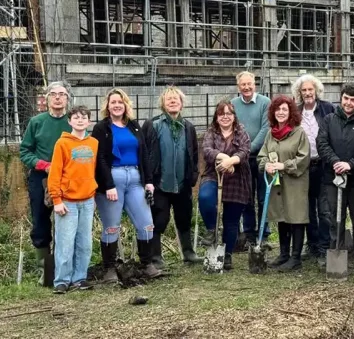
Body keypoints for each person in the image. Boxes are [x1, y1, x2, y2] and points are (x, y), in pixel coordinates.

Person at [92, 88, 161, 282]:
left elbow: (144, 154)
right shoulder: (101, 128)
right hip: (113, 179)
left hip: (135, 179)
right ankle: (109, 268)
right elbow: (100, 158)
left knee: (146, 224)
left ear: (126, 105)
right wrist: (108, 185)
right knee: (111, 226)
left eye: (120, 102)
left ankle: (146, 264)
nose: (117, 105)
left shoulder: (134, 126)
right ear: (107, 106)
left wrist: (149, 182)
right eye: (113, 102)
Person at [317, 83, 354, 271]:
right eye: (346, 98)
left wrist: (351, 164)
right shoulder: (329, 119)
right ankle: (337, 252)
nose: (348, 103)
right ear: (341, 98)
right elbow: (322, 143)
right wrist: (335, 162)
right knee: (335, 218)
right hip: (333, 178)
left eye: (353, 100)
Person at [19, 81, 72, 277]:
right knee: (41, 224)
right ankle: (46, 271)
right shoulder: (36, 122)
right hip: (42, 179)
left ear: (67, 99)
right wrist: (44, 165)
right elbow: (25, 152)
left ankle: (65, 268)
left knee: (66, 224)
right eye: (53, 94)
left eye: (62, 94)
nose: (58, 97)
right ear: (47, 98)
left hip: (67, 179)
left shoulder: (73, 122)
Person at [144, 86, 199, 269]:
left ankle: (188, 252)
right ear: (163, 103)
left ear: (182, 104)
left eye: (176, 99)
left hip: (182, 183)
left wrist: (193, 175)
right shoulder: (153, 125)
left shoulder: (188, 127)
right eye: (169, 99)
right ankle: (155, 256)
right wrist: (148, 179)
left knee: (184, 217)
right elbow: (145, 153)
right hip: (160, 183)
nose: (173, 101)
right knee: (159, 219)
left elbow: (194, 153)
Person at [48, 105, 98, 294]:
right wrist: (56, 199)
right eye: (76, 117)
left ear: (89, 122)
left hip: (87, 200)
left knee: (84, 243)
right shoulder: (62, 144)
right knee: (65, 242)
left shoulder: (94, 143)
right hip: (67, 201)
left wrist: (93, 195)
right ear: (69, 121)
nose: (80, 120)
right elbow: (55, 173)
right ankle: (61, 280)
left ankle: (80, 278)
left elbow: (92, 171)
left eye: (84, 117)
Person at [257, 95, 310, 271]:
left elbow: (304, 158)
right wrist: (266, 165)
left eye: (284, 109)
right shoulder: (270, 134)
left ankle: (296, 258)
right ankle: (284, 254)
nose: (280, 112)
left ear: (291, 112)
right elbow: (262, 155)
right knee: (282, 215)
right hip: (277, 184)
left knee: (296, 216)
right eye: (277, 109)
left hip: (295, 182)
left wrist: (284, 165)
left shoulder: (299, 133)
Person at [198, 99, 251, 271]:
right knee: (205, 197)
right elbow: (207, 151)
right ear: (216, 116)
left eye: (229, 113)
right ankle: (211, 230)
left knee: (231, 219)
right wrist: (224, 158)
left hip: (237, 177)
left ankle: (227, 254)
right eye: (221, 114)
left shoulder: (241, 132)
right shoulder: (211, 132)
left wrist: (232, 162)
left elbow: (245, 151)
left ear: (234, 116)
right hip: (213, 175)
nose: (225, 117)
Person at [292, 74, 335, 264]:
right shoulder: (296, 111)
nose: (308, 93)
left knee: (324, 208)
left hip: (323, 165)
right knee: (307, 208)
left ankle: (325, 246)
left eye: (310, 89)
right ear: (299, 93)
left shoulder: (328, 108)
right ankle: (312, 244)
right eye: (304, 90)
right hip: (304, 166)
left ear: (316, 90)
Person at [232, 72, 271, 252]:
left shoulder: (265, 103)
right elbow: (232, 128)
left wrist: (248, 149)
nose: (246, 87)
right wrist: (241, 153)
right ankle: (249, 235)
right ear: (238, 86)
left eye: (249, 84)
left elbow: (266, 129)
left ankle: (264, 235)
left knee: (264, 197)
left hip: (262, 157)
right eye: (243, 85)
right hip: (243, 160)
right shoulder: (233, 104)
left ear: (255, 84)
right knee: (246, 198)